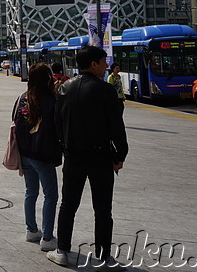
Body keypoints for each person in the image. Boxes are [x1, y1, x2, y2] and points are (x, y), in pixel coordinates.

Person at [47, 45, 128, 269]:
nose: (106, 67)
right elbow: (117, 128)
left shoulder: (64, 88)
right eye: (103, 62)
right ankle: (104, 256)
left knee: (68, 204)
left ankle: (62, 250)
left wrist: (64, 147)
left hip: (73, 156)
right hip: (100, 156)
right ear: (93, 64)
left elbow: (57, 124)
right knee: (102, 208)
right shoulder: (106, 91)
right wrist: (120, 155)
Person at [14, 63, 61, 253]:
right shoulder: (50, 99)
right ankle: (47, 237)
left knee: (30, 192)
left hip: (25, 153)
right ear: (47, 79)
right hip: (43, 154)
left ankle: (31, 230)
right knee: (50, 195)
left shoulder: (22, 98)